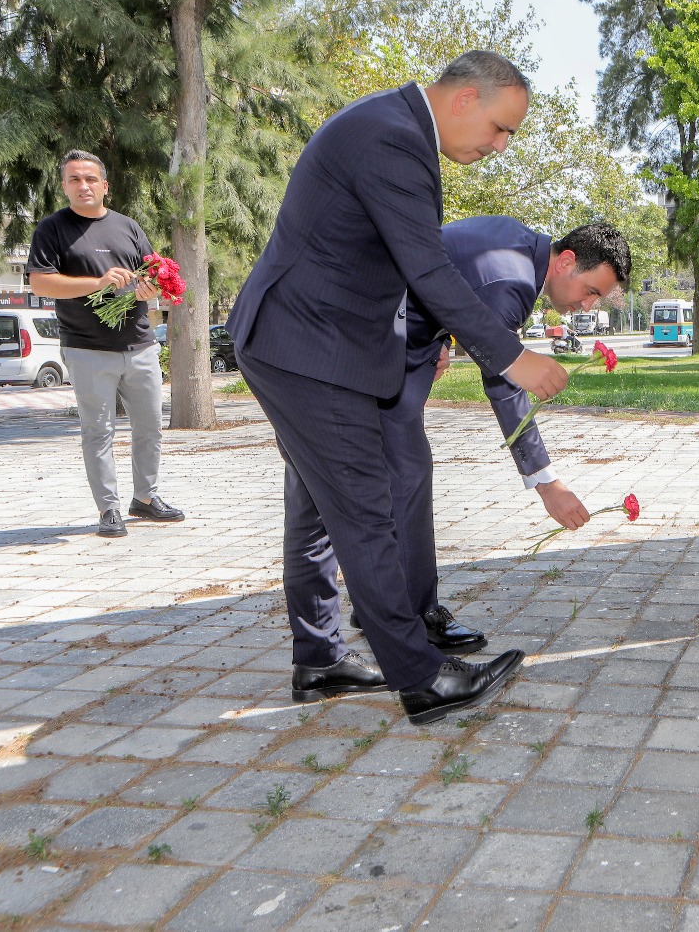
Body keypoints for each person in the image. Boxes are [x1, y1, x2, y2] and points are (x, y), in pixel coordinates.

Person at [229, 51, 571, 725]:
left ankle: (320, 660)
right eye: (501, 129)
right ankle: (420, 679)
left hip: (306, 344)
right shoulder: (393, 136)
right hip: (307, 348)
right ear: (465, 98)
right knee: (365, 508)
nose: (500, 147)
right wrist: (511, 357)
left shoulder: (392, 125)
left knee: (318, 510)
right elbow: (430, 270)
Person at [339, 217, 632, 648]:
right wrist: (547, 483)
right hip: (371, 341)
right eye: (591, 291)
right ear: (566, 261)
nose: (588, 305)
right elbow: (503, 378)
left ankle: (377, 607)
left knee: (384, 475)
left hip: (398, 338)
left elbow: (447, 278)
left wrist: (440, 341)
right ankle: (414, 618)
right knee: (407, 472)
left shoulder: (517, 243)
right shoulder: (511, 283)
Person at [26, 150, 185, 538]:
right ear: (64, 186)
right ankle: (108, 508)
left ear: (104, 185)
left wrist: (148, 289)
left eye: (91, 179)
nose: (84, 185)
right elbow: (41, 283)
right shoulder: (52, 229)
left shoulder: (128, 226)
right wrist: (97, 283)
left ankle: (145, 499)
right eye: (75, 179)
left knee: (150, 427)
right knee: (99, 431)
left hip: (140, 344)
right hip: (86, 348)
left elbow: (150, 276)